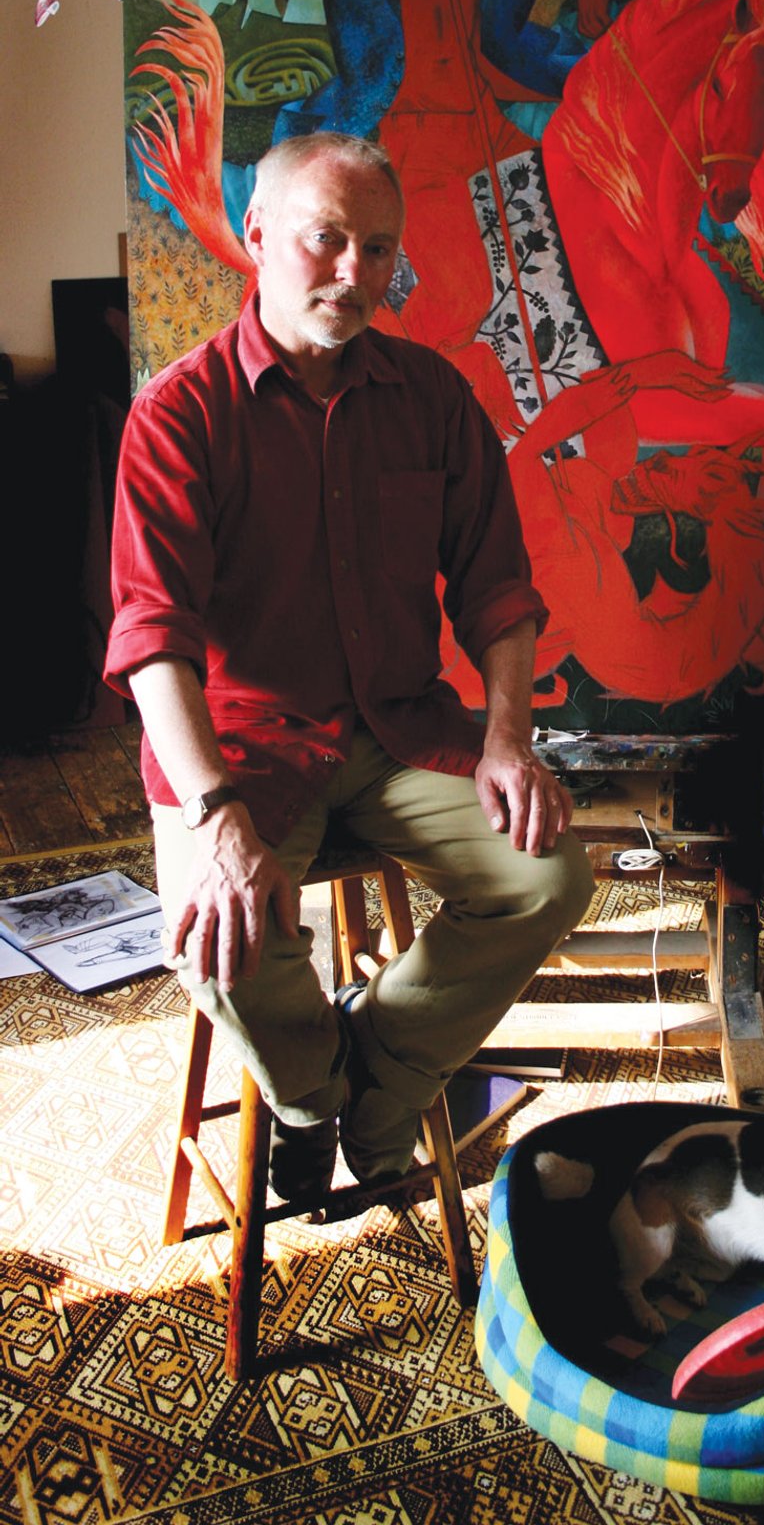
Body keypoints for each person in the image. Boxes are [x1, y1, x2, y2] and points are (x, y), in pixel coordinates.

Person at [105, 130, 594, 1207]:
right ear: (258, 236)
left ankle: (373, 1081)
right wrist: (217, 818)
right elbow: (153, 644)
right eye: (328, 240)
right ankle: (315, 1095)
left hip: (398, 731)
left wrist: (508, 741)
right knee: (210, 931)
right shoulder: (179, 415)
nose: (354, 274)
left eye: (378, 251)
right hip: (239, 749)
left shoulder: (432, 398)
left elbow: (498, 591)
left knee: (550, 876)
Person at [257, 0, 643, 435]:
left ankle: (560, 404)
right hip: (389, 126)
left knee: (563, 210)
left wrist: (597, 19)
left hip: (476, 119)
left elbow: (508, 35)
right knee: (441, 274)